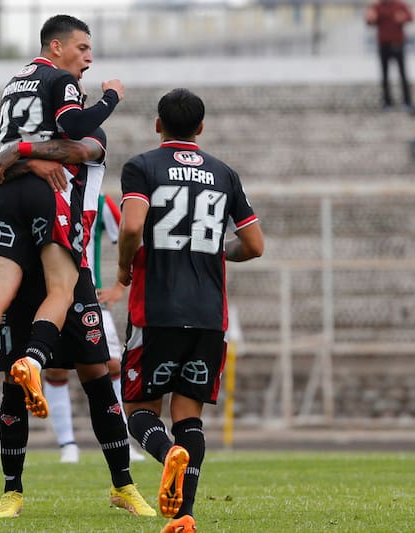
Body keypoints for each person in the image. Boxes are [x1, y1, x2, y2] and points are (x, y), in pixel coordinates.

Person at [0, 131, 155, 520]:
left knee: (97, 371)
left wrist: (24, 155)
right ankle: (12, 491)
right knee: (14, 379)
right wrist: (27, 160)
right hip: (25, 269)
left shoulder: (85, 137)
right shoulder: (24, 136)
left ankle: (123, 484)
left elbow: (83, 150)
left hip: (74, 270)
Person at [116, 88, 264, 533]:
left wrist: (123, 265)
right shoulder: (224, 174)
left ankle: (167, 455)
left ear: (157, 125)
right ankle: (184, 516)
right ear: (201, 127)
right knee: (189, 415)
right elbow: (254, 245)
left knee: (139, 411)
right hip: (208, 314)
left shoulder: (142, 167)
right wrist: (217, 251)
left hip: (156, 309)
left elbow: (132, 226)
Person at [44, 193, 146, 464]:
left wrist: (120, 287)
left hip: (89, 297)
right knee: (55, 369)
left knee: (111, 363)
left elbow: (132, 235)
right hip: (50, 297)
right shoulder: (41, 194)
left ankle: (123, 440)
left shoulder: (98, 201)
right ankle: (67, 445)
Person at [365, 0, 414, 111]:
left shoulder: (400, 5)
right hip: (383, 45)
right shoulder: (377, 7)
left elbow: (411, 18)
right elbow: (369, 21)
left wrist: (403, 18)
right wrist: (370, 19)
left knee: (403, 74)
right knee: (384, 75)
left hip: (398, 44)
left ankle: (407, 102)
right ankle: (387, 103)